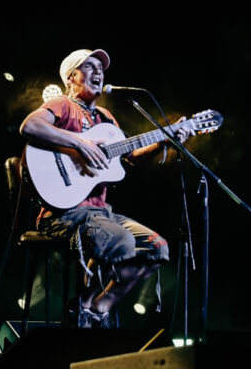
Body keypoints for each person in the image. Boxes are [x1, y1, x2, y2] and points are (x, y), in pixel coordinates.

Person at [19, 49, 190, 327]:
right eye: (90, 66)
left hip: (101, 213)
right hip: (64, 214)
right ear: (71, 77)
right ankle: (84, 305)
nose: (99, 72)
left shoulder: (106, 119)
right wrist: (79, 143)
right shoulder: (63, 104)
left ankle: (96, 307)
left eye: (101, 68)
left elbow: (130, 157)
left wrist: (163, 141)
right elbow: (30, 125)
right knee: (119, 240)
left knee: (157, 248)